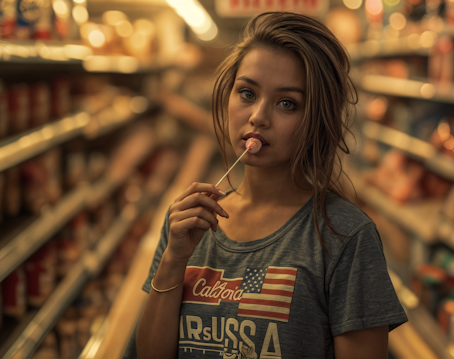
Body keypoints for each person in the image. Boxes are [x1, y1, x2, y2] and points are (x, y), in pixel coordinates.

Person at [126, 11, 407, 359]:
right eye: (246, 93)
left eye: (287, 103)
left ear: (316, 120)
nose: (259, 115)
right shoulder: (190, 223)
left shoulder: (346, 237)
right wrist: (172, 261)